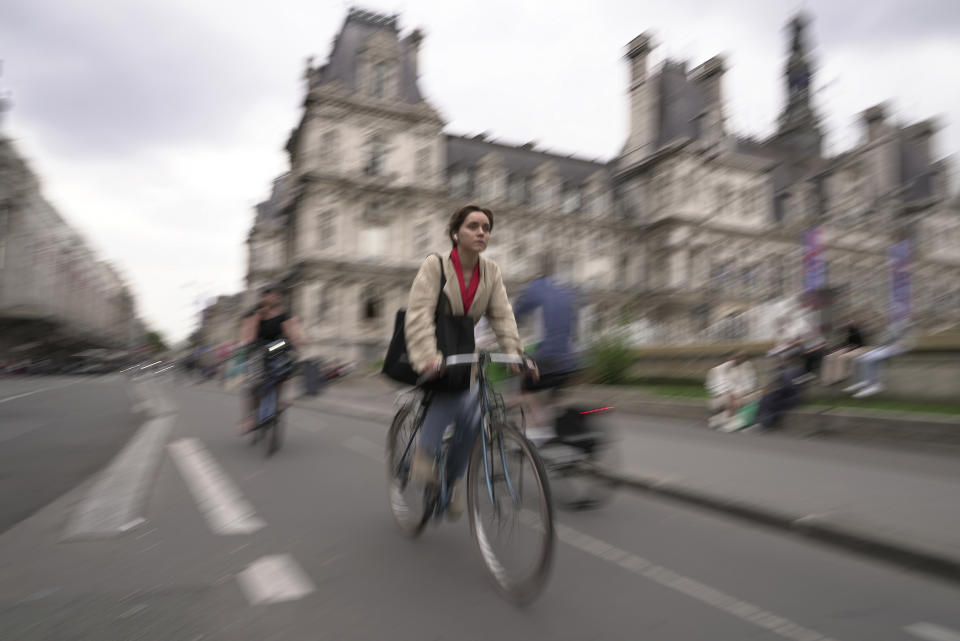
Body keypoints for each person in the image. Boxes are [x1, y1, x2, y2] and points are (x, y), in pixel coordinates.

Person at [405, 204, 526, 520]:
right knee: (452, 398)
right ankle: (422, 456)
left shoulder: (491, 272)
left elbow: (502, 315)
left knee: (473, 416)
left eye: (486, 227)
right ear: (456, 232)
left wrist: (514, 351)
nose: (481, 232)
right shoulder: (436, 266)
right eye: (473, 226)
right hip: (432, 347)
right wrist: (428, 357)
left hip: (463, 352)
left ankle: (452, 478)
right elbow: (418, 315)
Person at [512, 252, 580, 444]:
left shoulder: (534, 289)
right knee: (552, 391)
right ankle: (550, 429)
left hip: (547, 357)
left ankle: (538, 430)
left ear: (538, 269)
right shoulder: (567, 290)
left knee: (524, 387)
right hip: (571, 360)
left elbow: (512, 318)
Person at [238, 284, 306, 434]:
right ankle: (250, 418)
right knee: (253, 384)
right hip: (257, 348)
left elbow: (291, 331)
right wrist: (257, 318)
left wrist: (298, 340)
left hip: (276, 347)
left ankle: (283, 398)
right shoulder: (254, 313)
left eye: (276, 295)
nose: (273, 297)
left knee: (288, 359)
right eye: (270, 294)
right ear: (264, 297)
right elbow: (248, 335)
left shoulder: (283, 314)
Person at [844, 318, 913, 398]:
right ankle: (861, 382)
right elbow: (886, 340)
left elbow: (907, 343)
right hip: (885, 348)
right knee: (859, 359)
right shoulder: (892, 328)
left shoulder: (907, 327)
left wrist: (898, 344)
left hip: (895, 349)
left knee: (870, 359)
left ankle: (873, 384)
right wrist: (887, 343)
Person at [705, 351, 759, 432]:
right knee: (729, 397)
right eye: (736, 357)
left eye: (742, 358)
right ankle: (727, 419)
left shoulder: (745, 368)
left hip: (738, 397)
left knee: (758, 395)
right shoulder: (717, 370)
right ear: (729, 358)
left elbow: (749, 385)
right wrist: (732, 394)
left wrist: (740, 394)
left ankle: (725, 419)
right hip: (720, 399)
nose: (739, 360)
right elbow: (719, 388)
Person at [821, 316, 868, 385]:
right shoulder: (849, 331)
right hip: (848, 348)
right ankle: (827, 379)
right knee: (829, 357)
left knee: (841, 357)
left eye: (850, 322)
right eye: (848, 322)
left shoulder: (859, 331)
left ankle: (838, 378)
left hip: (859, 348)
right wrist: (834, 350)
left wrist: (848, 349)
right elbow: (846, 343)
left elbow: (859, 344)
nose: (848, 323)